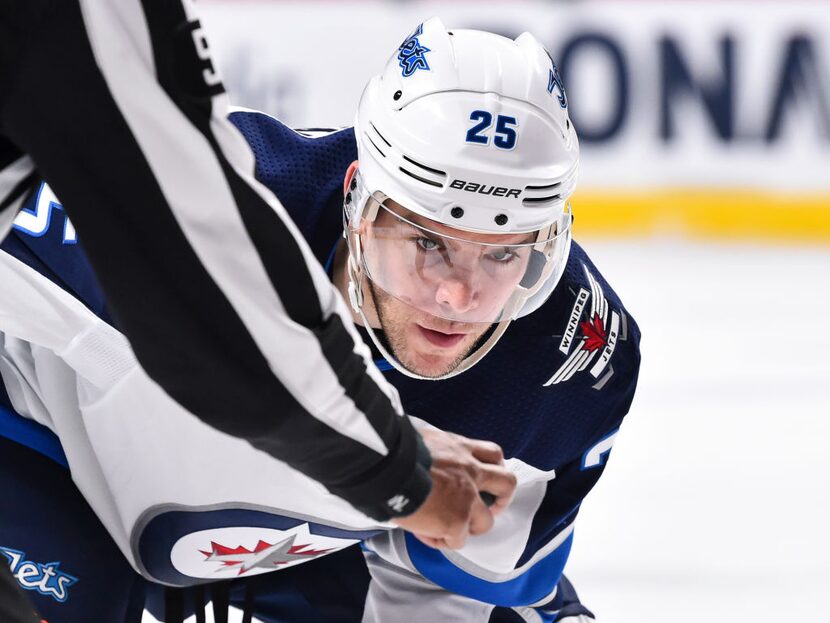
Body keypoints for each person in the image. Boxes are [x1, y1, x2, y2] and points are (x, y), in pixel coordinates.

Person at [0, 18, 640, 623]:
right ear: (357, 203)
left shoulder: (567, 356)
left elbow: (450, 585)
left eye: (502, 254)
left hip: (263, 529)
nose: (458, 296)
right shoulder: (207, 206)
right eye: (426, 243)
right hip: (43, 447)